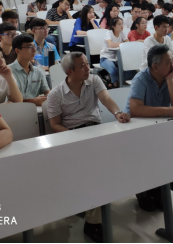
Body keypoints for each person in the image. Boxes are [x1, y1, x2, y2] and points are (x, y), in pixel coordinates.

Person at [45, 52, 130, 243]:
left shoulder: (94, 80)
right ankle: (93, 223)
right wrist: (76, 137)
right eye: (82, 66)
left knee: (126, 154)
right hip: (71, 136)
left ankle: (142, 192)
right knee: (95, 172)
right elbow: (55, 125)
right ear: (69, 71)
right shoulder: (56, 94)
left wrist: (117, 113)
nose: (87, 68)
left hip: (96, 131)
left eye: (87, 64)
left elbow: (106, 98)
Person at [127, 44, 173, 211]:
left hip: (162, 127)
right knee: (145, 158)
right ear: (155, 66)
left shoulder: (171, 76)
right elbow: (135, 109)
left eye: (172, 60)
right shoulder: (141, 79)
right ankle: (143, 192)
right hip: (138, 128)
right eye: (168, 62)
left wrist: (170, 80)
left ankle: (160, 190)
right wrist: (167, 110)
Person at [10, 35, 50, 106]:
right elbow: (9, 100)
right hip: (15, 110)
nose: (34, 50)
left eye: (34, 46)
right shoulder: (8, 72)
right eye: (29, 47)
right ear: (17, 50)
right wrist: (32, 101)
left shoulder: (38, 71)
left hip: (37, 110)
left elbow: (48, 93)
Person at [100, 17, 130, 87]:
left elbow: (128, 44)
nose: (122, 26)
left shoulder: (122, 33)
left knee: (130, 71)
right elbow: (111, 45)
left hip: (117, 58)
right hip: (106, 58)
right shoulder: (109, 33)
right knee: (114, 71)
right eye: (119, 24)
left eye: (122, 24)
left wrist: (120, 44)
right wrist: (121, 44)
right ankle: (115, 85)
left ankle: (113, 81)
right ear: (113, 26)